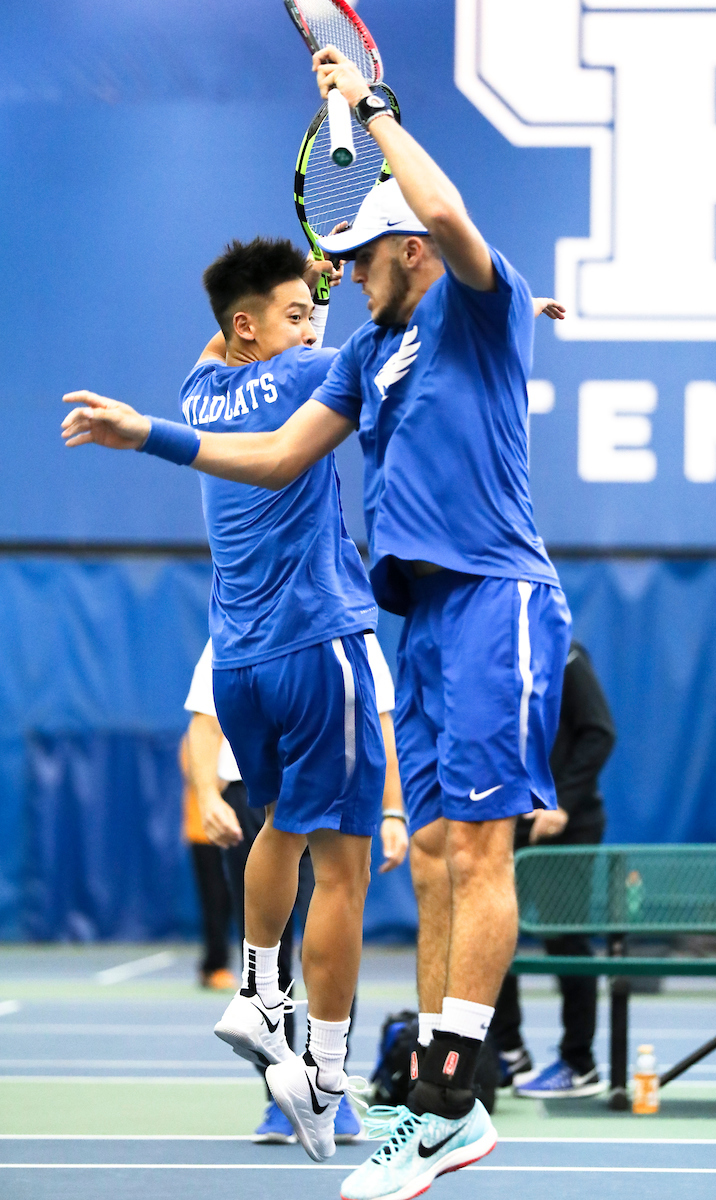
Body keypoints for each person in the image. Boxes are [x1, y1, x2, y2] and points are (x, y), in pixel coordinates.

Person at [61, 52, 571, 1193]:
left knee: (478, 850)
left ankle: (446, 1099)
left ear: (408, 255)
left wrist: (370, 106)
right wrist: (149, 433)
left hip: (496, 597)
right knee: (434, 855)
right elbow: (278, 453)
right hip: (421, 623)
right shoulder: (370, 357)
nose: (336, 273)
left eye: (351, 258)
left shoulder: (475, 307)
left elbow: (443, 208)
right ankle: (445, 1106)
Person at [62, 236, 387, 1164]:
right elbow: (412, 333)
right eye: (292, 316)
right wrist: (511, 314)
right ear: (251, 327)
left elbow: (239, 336)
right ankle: (324, 1076)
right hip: (320, 645)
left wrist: (308, 289)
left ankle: (256, 990)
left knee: (279, 823)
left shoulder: (206, 382)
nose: (310, 325)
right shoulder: (310, 374)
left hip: (239, 663)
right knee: (348, 869)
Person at [183, 631, 409, 1142]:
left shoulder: (354, 633)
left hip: (328, 783)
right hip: (258, 793)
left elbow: (383, 724)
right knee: (275, 946)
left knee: (327, 929)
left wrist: (394, 809)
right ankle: (280, 1098)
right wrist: (207, 795)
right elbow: (205, 719)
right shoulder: (233, 629)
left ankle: (324, 1087)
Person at [489, 640, 616, 1099]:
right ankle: (509, 1054)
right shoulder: (492, 657)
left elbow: (600, 732)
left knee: (566, 938)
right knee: (493, 934)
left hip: (568, 826)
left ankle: (579, 1063)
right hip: (506, 823)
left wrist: (560, 802)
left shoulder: (567, 656)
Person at [178, 733, 236, 990]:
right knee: (214, 900)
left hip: (237, 830)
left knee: (234, 900)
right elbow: (200, 778)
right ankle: (214, 966)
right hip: (203, 832)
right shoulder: (196, 737)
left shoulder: (238, 731)